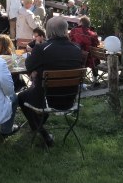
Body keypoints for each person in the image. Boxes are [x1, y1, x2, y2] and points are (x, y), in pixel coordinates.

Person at [18, 16, 83, 147]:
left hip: (47, 99)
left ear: (48, 32)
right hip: (70, 99)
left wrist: (37, 70)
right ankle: (39, 126)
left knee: (21, 97)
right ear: (66, 30)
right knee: (34, 92)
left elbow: (28, 66)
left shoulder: (42, 48)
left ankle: (41, 131)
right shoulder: (77, 49)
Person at [69, 16, 100, 80]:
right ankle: (95, 78)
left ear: (81, 23)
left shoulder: (74, 31)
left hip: (76, 56)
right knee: (96, 58)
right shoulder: (93, 34)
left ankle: (79, 76)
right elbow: (97, 44)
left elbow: (70, 40)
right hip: (89, 59)